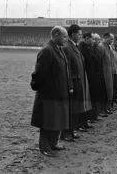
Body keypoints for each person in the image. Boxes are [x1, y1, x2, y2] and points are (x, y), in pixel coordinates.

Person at [30, 26, 71, 157]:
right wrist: (37, 86)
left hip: (59, 93)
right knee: (47, 122)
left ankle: (53, 143)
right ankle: (45, 147)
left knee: (57, 120)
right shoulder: (47, 50)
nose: (66, 39)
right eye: (64, 36)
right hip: (49, 94)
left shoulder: (59, 49)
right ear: (56, 35)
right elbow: (39, 73)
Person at [61, 24, 92, 141]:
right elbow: (67, 68)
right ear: (73, 35)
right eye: (79, 34)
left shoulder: (75, 46)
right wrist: (70, 85)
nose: (80, 36)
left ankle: (72, 131)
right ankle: (66, 133)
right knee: (70, 110)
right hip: (73, 83)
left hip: (79, 82)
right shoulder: (67, 47)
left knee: (75, 110)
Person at [98, 33, 114, 115]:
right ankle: (102, 110)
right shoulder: (101, 46)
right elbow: (99, 61)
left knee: (109, 91)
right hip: (104, 73)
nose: (112, 41)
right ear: (105, 37)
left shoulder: (108, 47)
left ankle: (107, 108)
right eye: (111, 39)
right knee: (105, 91)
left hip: (109, 71)